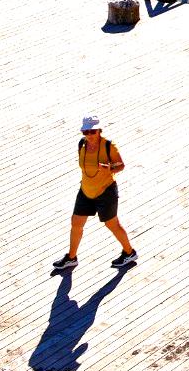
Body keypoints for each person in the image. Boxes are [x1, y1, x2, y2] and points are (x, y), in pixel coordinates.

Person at [53, 115, 136, 274]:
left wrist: (109, 169)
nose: (89, 135)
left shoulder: (108, 146)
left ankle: (129, 252)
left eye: (92, 131)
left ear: (99, 130)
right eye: (86, 132)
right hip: (85, 191)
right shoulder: (82, 144)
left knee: (112, 224)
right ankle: (71, 257)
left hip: (105, 192)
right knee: (76, 223)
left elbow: (121, 166)